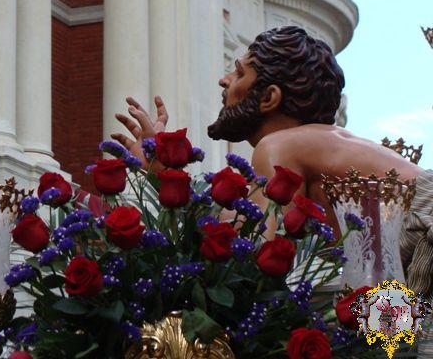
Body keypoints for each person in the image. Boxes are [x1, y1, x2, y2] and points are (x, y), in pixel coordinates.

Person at [113, 26, 431, 297]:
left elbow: (252, 257)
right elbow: (245, 227)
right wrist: (163, 174)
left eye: (238, 72)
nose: (224, 81)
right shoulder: (317, 143)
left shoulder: (279, 146)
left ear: (269, 98)